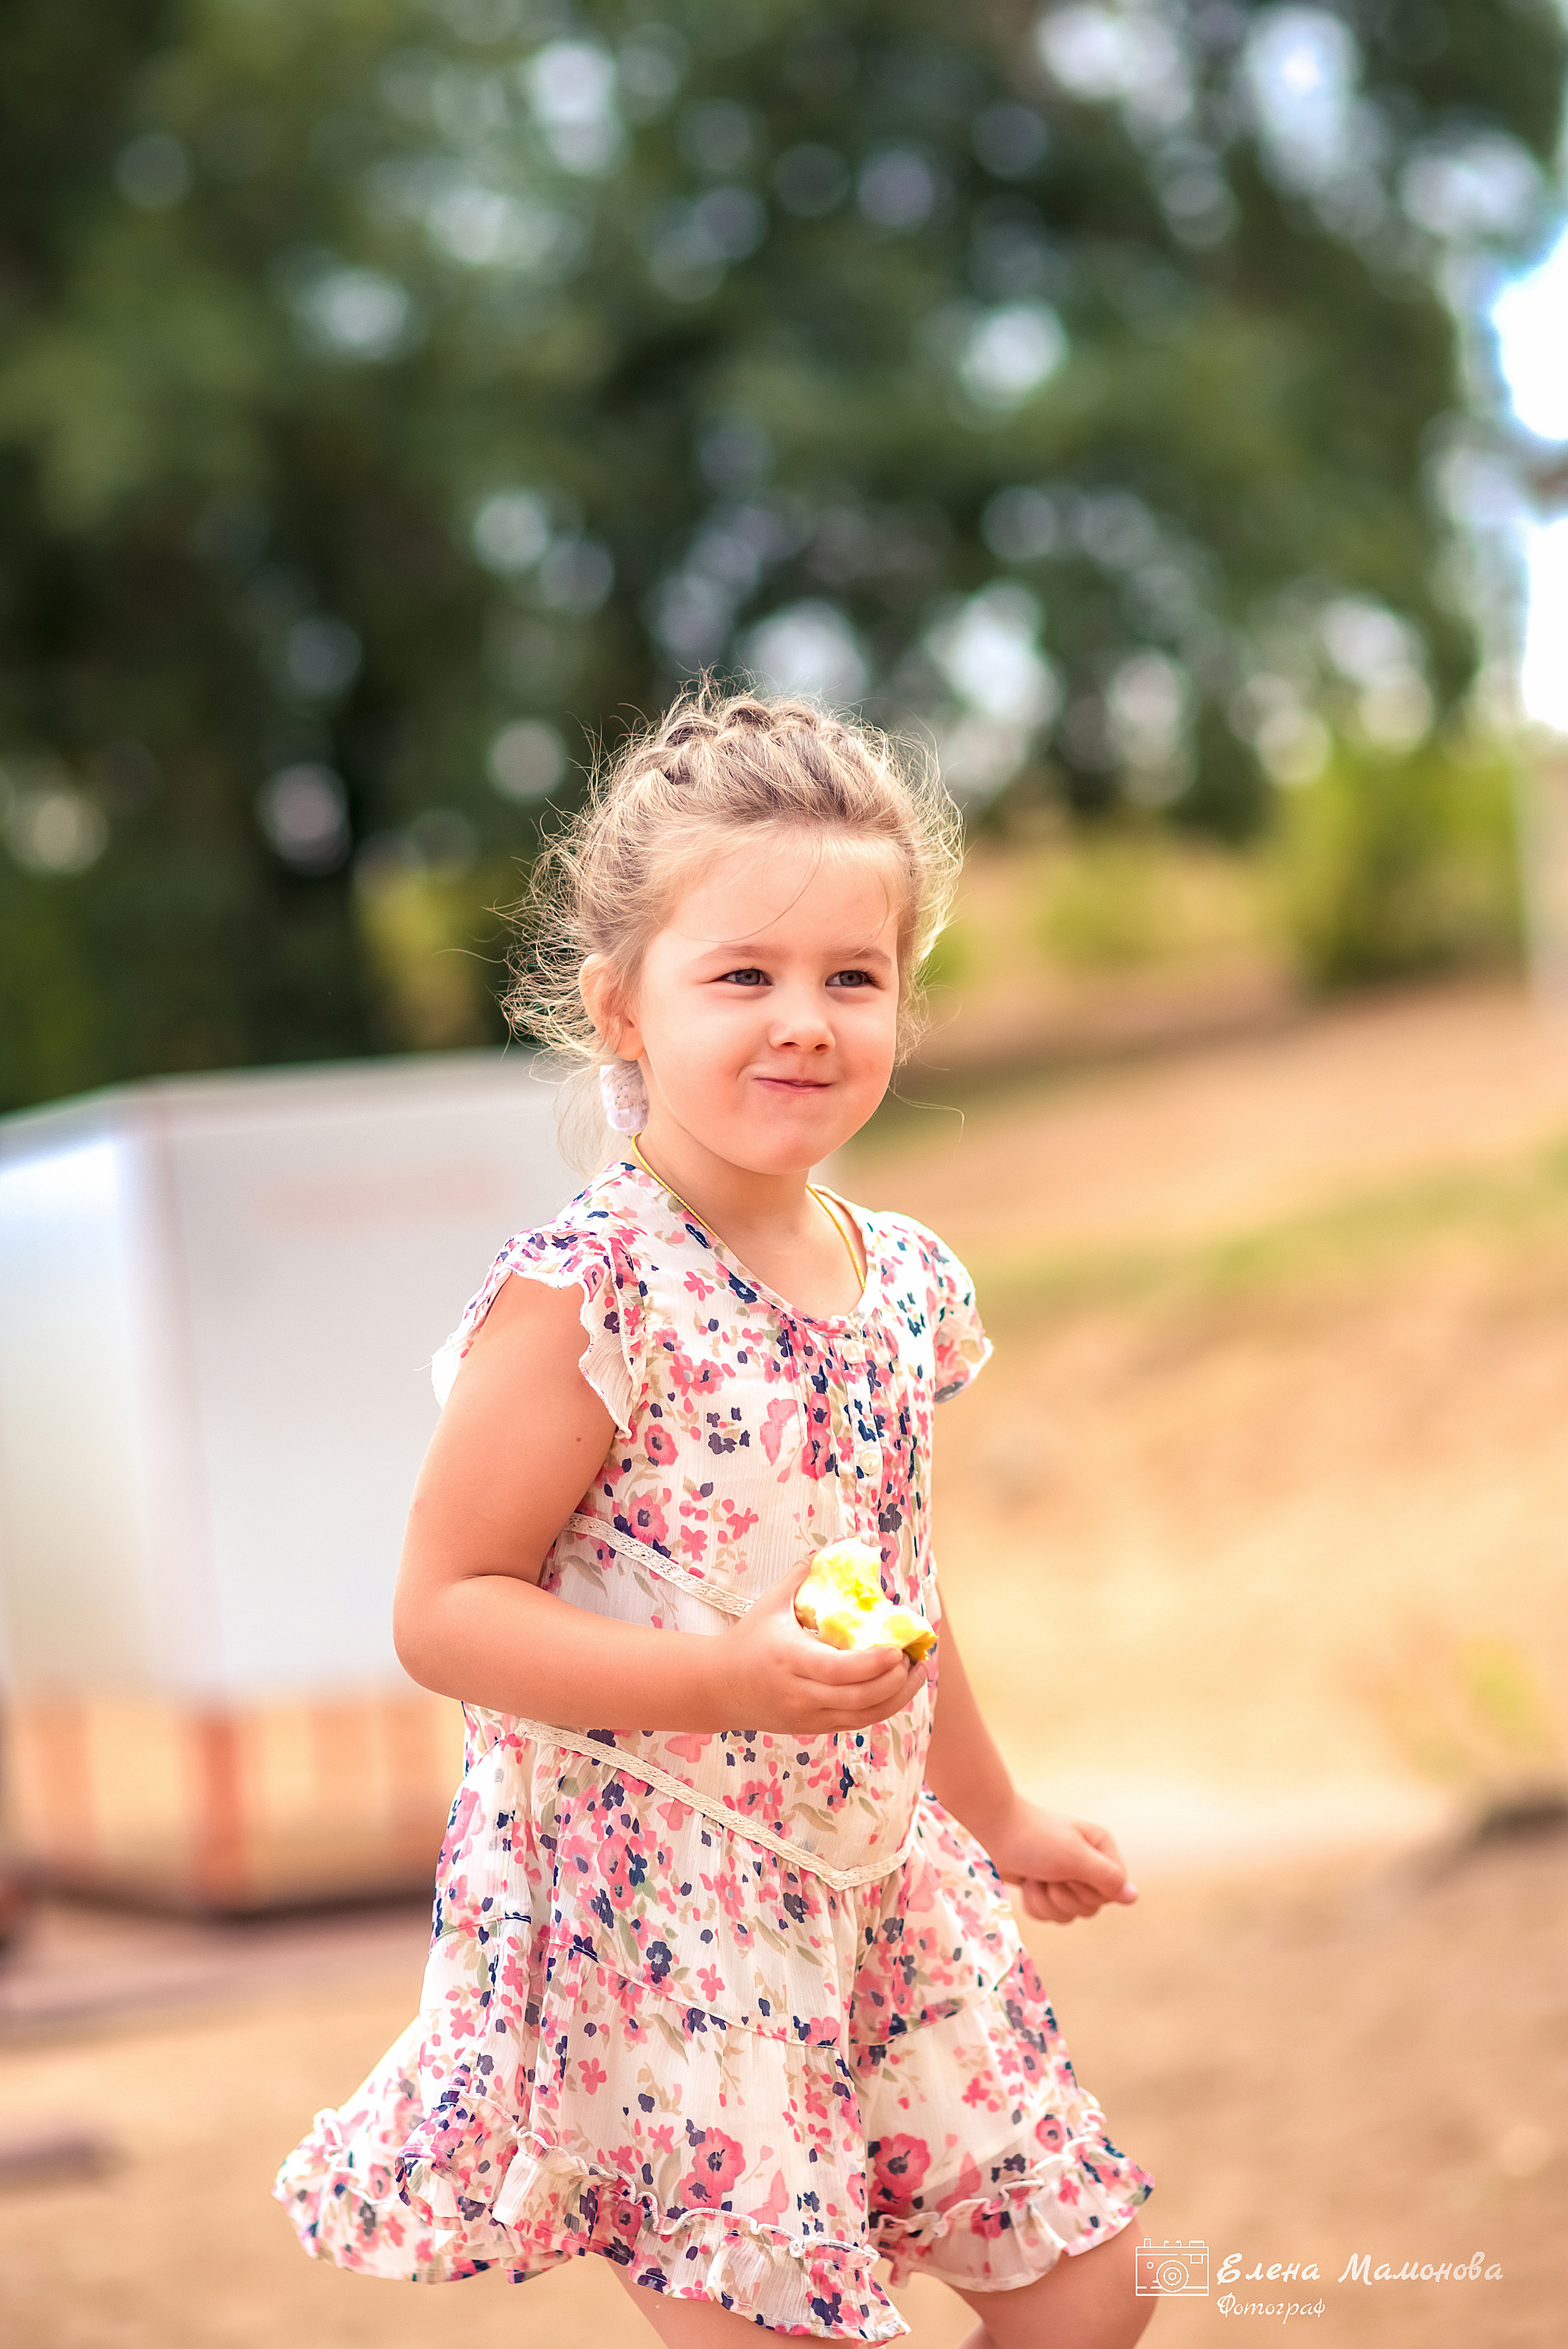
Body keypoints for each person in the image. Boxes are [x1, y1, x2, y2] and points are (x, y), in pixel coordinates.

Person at [275, 690, 1154, 2346]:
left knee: (1094, 2290)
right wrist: (728, 1682)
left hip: (882, 1883)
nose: (803, 1019)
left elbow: (894, 1594)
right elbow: (443, 1605)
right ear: (623, 1008)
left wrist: (1003, 1809)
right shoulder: (593, 1293)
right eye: (741, 974)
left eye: (853, 976)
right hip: (666, 1914)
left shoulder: (903, 1282)